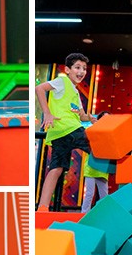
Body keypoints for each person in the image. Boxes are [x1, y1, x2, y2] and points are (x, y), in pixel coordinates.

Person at [36, 52, 94, 211]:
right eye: (77, 67)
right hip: (69, 129)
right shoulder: (62, 81)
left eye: (84, 68)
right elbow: (39, 88)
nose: (81, 71)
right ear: (67, 70)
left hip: (62, 133)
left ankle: (42, 207)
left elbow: (81, 116)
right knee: (99, 149)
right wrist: (46, 113)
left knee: (56, 168)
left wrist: (92, 118)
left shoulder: (75, 92)